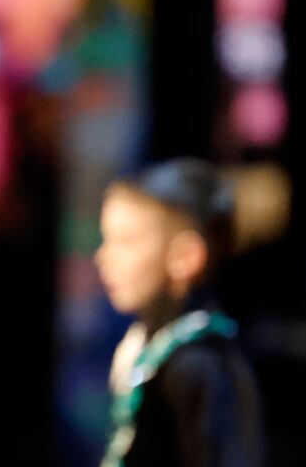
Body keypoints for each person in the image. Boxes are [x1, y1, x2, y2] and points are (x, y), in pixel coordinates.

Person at [94, 158, 263, 467]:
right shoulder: (148, 344)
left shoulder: (201, 365)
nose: (104, 256)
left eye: (126, 242)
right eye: (106, 239)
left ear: (186, 256)